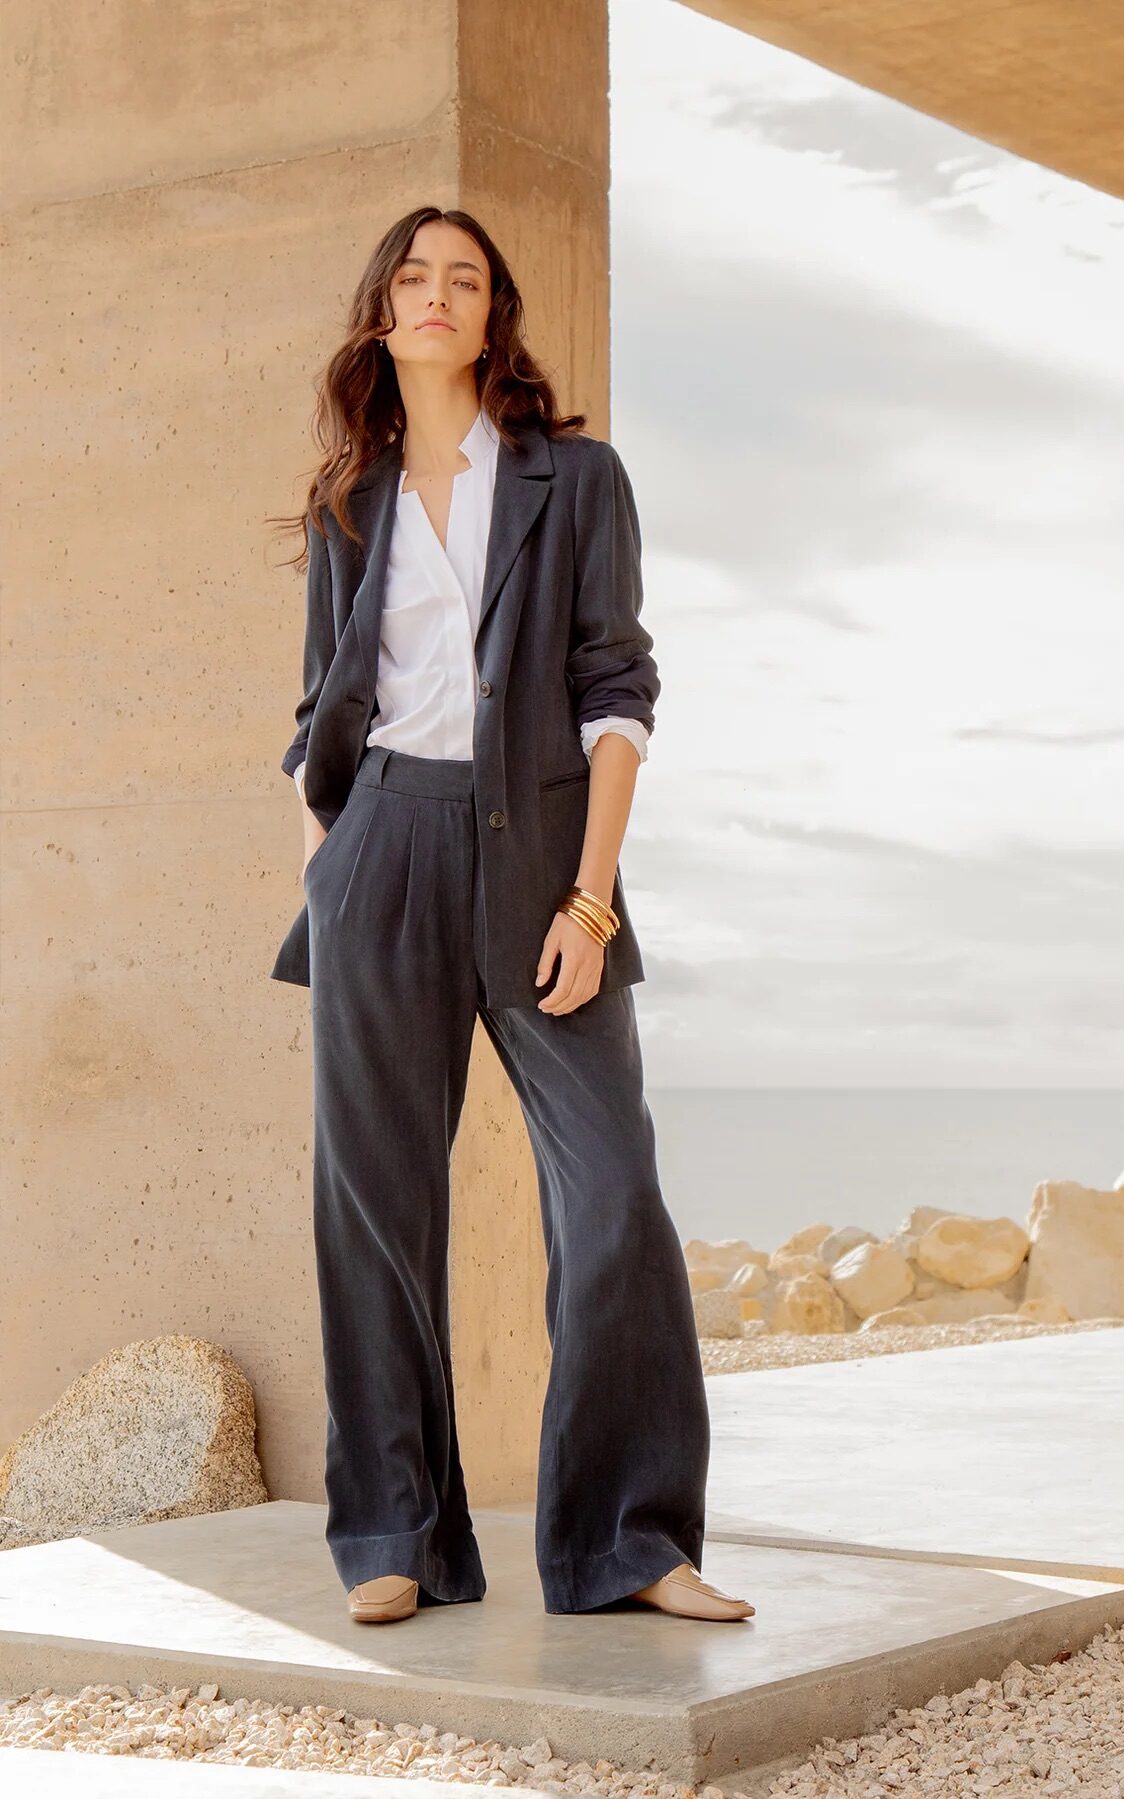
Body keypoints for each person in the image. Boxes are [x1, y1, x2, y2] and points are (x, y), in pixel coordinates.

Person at [268, 206, 753, 1626]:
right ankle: (393, 1536)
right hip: (380, 857)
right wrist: (330, 866)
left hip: (538, 854)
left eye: (461, 279)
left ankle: (630, 1543)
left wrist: (589, 900)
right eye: (412, 277)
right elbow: (317, 716)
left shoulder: (574, 479)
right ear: (382, 312)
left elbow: (616, 687)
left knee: (612, 1197)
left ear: (493, 319)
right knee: (372, 1210)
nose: (435, 296)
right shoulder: (345, 503)